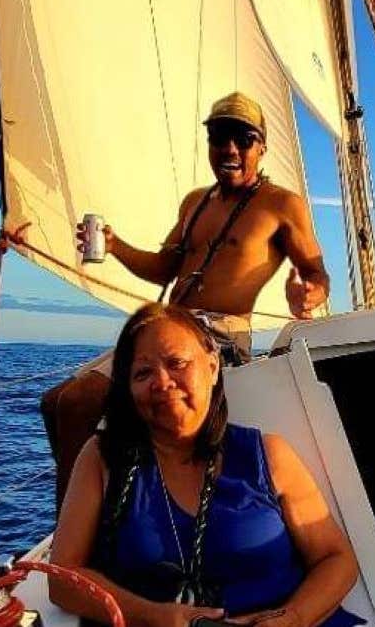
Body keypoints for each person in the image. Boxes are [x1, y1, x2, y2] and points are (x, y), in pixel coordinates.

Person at [43, 91, 330, 509]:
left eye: (243, 138)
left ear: (262, 147)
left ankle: (76, 532)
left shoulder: (283, 205)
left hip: (220, 334)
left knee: (81, 402)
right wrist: (114, 244)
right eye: (219, 136)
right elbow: (163, 267)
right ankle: (95, 512)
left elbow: (317, 272)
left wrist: (308, 292)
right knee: (55, 404)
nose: (230, 148)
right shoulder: (196, 202)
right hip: (169, 326)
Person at [49, 303, 364, 627]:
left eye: (176, 363)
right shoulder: (103, 458)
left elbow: (336, 559)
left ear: (213, 367)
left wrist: (294, 618)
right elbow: (62, 578)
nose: (161, 381)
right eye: (142, 373)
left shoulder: (269, 456)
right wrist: (151, 616)